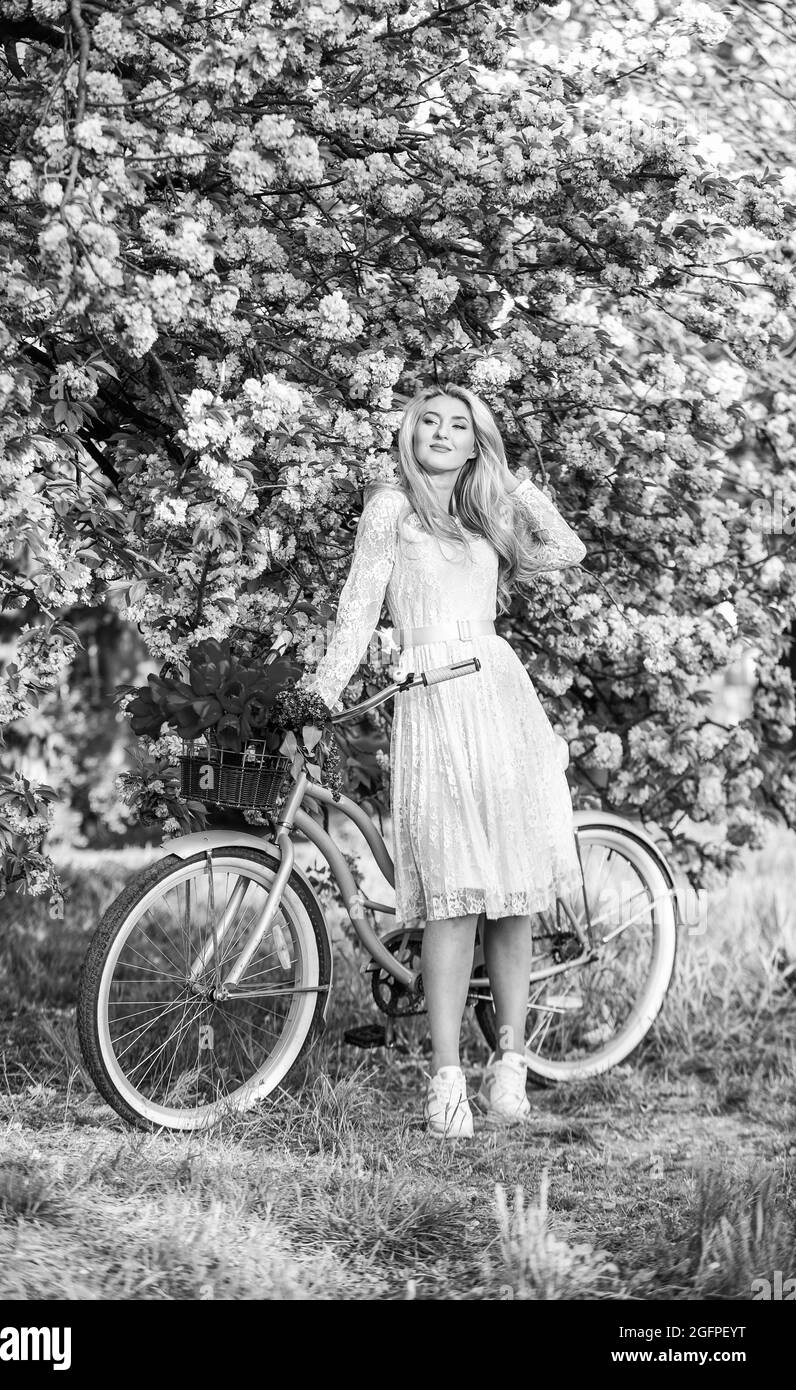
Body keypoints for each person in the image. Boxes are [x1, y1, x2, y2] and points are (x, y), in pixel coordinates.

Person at [297, 381, 587, 1139]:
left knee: (512, 893)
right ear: (408, 431)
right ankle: (446, 1080)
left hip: (499, 701)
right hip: (430, 705)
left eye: (460, 426)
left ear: (474, 443)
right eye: (430, 420)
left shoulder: (485, 511)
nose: (442, 432)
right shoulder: (391, 510)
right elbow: (359, 610)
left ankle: (511, 1067)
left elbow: (565, 550)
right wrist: (320, 696)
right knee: (453, 896)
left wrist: (511, 477)